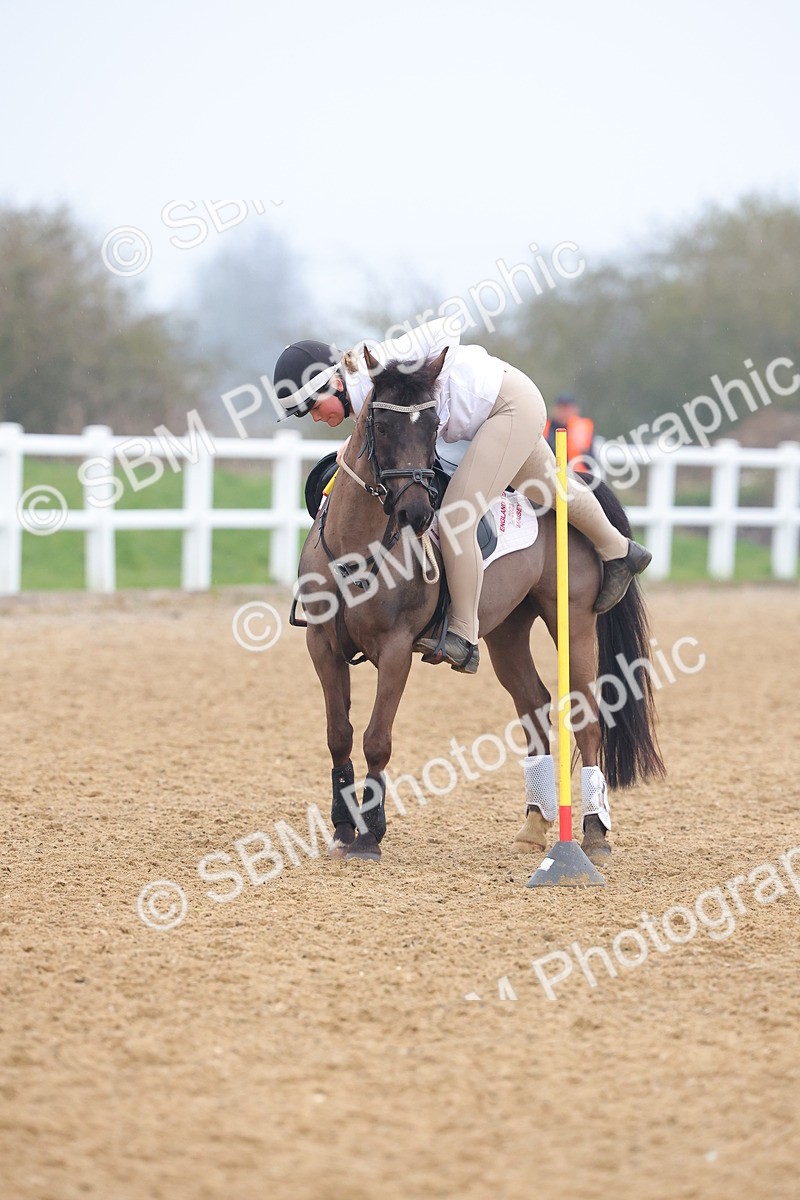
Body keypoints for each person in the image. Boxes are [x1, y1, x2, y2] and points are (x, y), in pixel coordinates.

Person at [273, 320, 651, 674]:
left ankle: (464, 635)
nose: (314, 417)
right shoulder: (366, 390)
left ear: (334, 385)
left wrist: (434, 373)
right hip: (495, 412)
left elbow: (445, 326)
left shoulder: (382, 364)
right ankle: (620, 550)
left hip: (505, 407)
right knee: (549, 487)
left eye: (311, 407)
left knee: (457, 516)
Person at [544, 394, 595, 466]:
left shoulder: (582, 428)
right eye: (560, 408)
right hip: (550, 473)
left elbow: (590, 461)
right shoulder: (545, 428)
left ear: (575, 410)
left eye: (567, 408)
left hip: (577, 474)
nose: (564, 412)